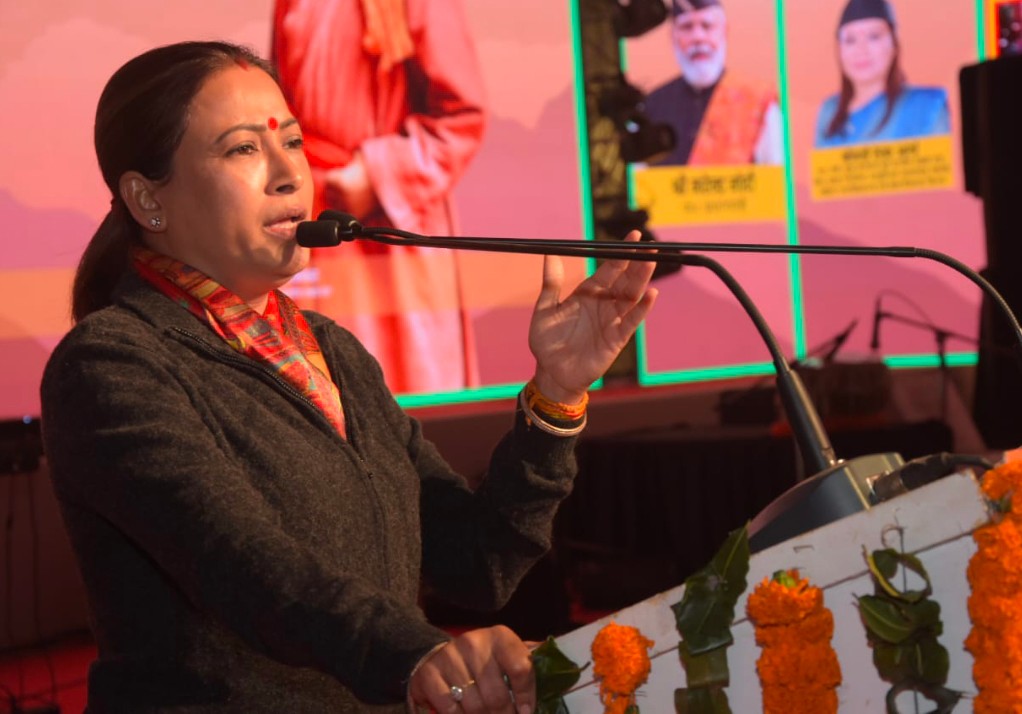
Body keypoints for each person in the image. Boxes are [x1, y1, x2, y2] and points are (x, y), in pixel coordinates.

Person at [40, 41, 658, 713]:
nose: (290, 175)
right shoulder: (111, 364)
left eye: (294, 142)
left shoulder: (330, 350)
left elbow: (478, 563)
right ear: (146, 199)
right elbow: (243, 563)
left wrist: (558, 393)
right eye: (243, 149)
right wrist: (416, 654)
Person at [272, 0, 487, 395]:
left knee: (404, 393)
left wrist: (378, 174)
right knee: (319, 391)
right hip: (316, 222)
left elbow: (461, 115)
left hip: (392, 230)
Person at [642, 0, 784, 167]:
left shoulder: (758, 101)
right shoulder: (652, 106)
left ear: (724, 32)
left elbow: (775, 173)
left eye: (707, 26)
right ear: (673, 37)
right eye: (687, 27)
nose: (698, 37)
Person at [814, 0, 950, 148]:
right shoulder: (829, 111)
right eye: (850, 40)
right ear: (839, 49)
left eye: (874, 37)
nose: (861, 50)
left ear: (894, 44)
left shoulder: (927, 106)